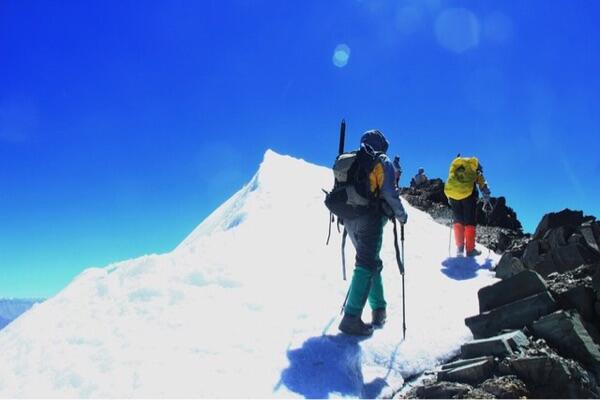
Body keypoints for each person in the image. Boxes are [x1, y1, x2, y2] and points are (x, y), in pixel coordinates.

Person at [338, 129, 408, 336]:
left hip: (349, 218)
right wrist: (402, 215)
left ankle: (379, 310)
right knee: (366, 264)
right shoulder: (380, 160)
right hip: (371, 217)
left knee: (371, 263)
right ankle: (351, 318)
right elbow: (389, 191)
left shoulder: (350, 160)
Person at [443, 156, 491, 257]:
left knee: (458, 221)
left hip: (453, 195)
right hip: (468, 196)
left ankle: (459, 249)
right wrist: (487, 197)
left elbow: (449, 182)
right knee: (470, 222)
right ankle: (470, 250)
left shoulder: (457, 169)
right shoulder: (474, 170)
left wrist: (449, 198)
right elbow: (483, 185)